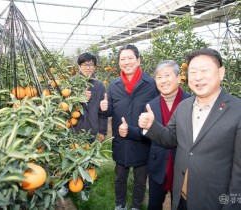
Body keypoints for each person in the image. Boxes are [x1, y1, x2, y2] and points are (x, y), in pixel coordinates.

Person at [138, 48, 241, 210]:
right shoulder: (184, 106)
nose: (198, 77)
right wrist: (152, 126)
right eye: (193, 72)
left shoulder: (237, 110)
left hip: (214, 202)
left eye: (204, 71)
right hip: (181, 198)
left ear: (221, 73)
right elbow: (171, 138)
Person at [100, 44, 159, 210]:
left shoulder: (151, 85)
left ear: (138, 60)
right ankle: (120, 205)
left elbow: (156, 114)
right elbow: (109, 112)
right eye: (122, 59)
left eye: (130, 58)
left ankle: (135, 206)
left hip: (143, 141)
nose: (126, 62)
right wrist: (104, 108)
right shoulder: (113, 86)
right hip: (122, 141)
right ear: (119, 63)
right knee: (120, 178)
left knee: (140, 180)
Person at [59, 52, 108, 200]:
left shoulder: (99, 86)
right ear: (79, 65)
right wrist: (78, 97)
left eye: (91, 64)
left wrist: (103, 130)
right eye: (85, 64)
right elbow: (63, 106)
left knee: (88, 162)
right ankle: (66, 185)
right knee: (69, 159)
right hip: (73, 129)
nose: (88, 67)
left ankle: (84, 188)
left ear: (94, 66)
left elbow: (102, 111)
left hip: (91, 130)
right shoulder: (71, 83)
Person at [146, 60, 191, 210]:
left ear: (179, 78)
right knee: (153, 205)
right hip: (158, 165)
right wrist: (130, 130)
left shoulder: (192, 102)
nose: (163, 80)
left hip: (184, 168)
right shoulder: (151, 105)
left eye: (167, 75)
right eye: (159, 77)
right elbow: (146, 133)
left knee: (180, 206)